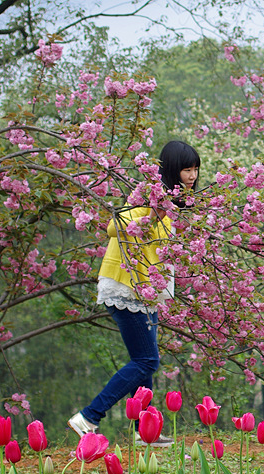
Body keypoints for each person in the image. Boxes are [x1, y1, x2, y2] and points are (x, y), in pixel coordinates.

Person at [68, 141, 201, 446]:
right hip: (125, 286)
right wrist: (151, 215)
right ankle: (89, 416)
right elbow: (114, 226)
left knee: (144, 361)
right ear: (171, 169)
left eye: (195, 168)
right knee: (146, 360)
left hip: (144, 290)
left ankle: (146, 431)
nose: (192, 175)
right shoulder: (151, 197)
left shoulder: (172, 204)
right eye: (186, 168)